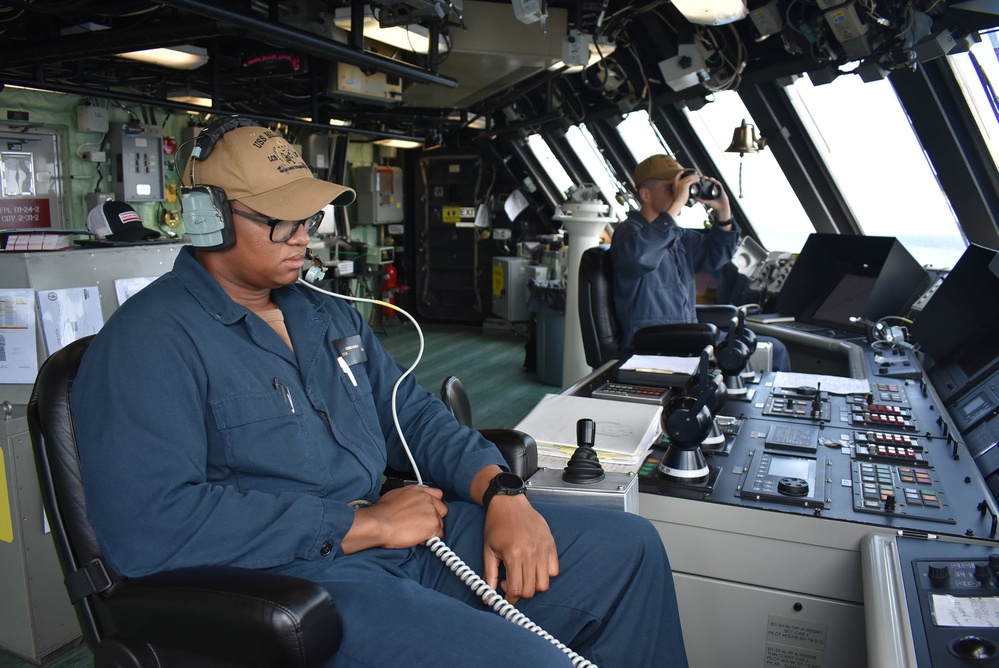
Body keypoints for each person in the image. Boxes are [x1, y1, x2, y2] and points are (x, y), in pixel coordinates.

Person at [70, 119, 688, 667]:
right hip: (302, 583)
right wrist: (359, 523)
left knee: (629, 549)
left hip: (407, 540)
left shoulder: (326, 314)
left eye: (309, 217)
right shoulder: (148, 342)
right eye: (279, 218)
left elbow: (411, 415)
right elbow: (150, 526)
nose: (302, 237)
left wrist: (500, 491)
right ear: (207, 216)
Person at [610, 154, 790, 371]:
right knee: (773, 350)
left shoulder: (678, 237)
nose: (680, 194)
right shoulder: (628, 233)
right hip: (652, 344)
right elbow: (641, 257)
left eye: (681, 188)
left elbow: (715, 256)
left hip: (686, 336)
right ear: (645, 194)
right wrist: (675, 207)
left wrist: (723, 211)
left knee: (774, 348)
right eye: (672, 188)